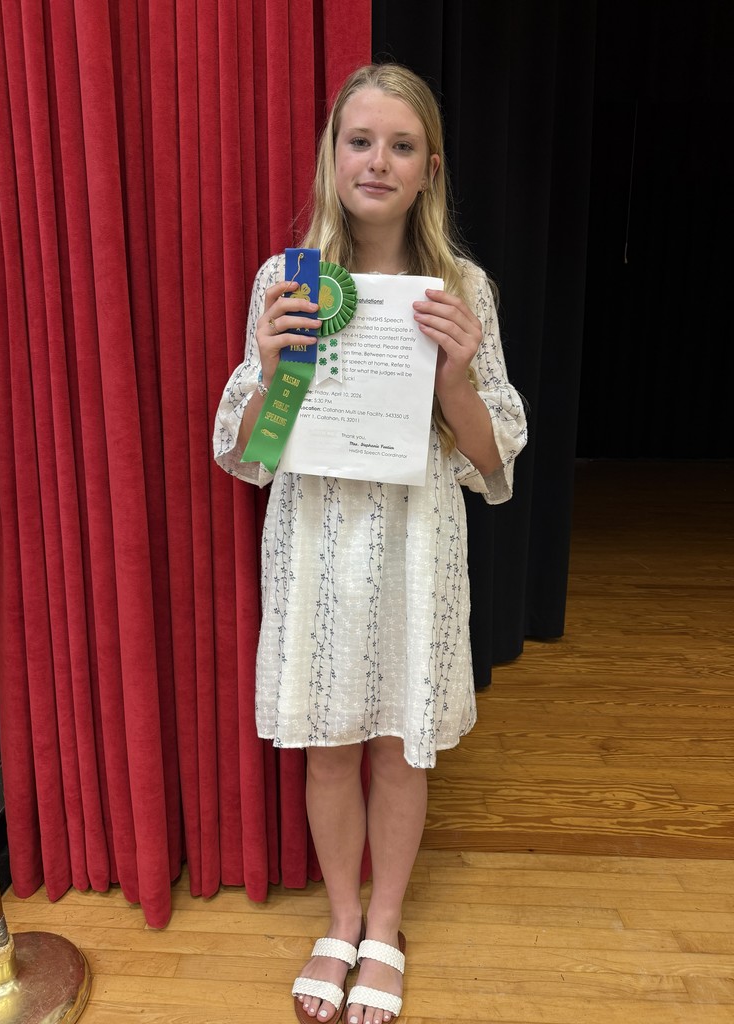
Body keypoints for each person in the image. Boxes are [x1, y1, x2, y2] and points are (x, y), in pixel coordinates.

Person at [214, 63, 527, 1024]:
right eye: (360, 141)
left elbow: (494, 463)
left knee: (401, 750)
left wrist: (458, 377)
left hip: (416, 547)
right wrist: (268, 370)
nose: (378, 162)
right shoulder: (290, 280)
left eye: (401, 145)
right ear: (332, 157)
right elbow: (249, 455)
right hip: (315, 546)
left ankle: (385, 927)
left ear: (429, 166)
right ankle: (340, 919)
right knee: (327, 749)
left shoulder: (464, 288)